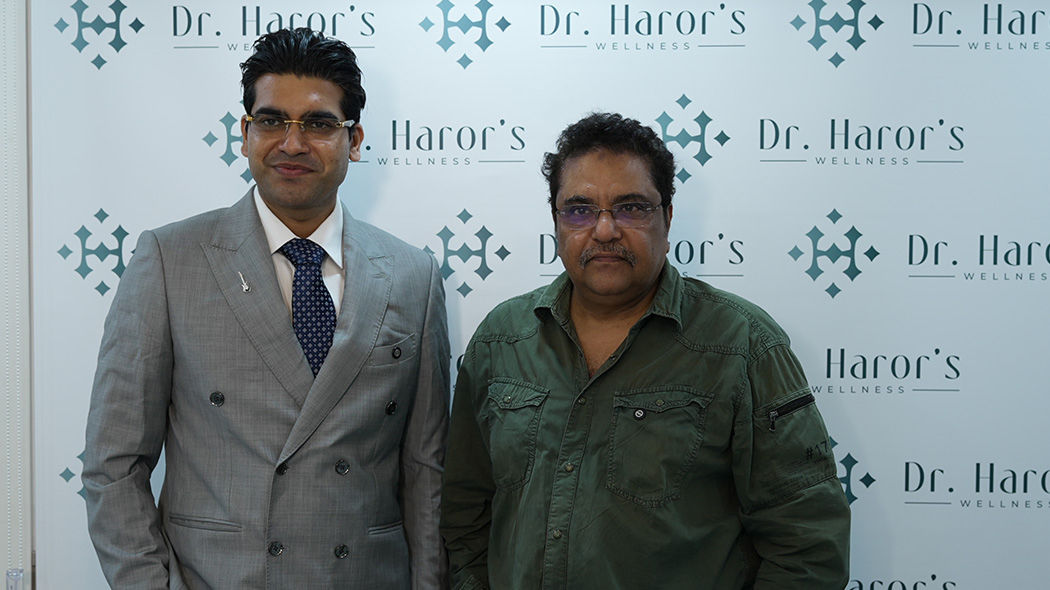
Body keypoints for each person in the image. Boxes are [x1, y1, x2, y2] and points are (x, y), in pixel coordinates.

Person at [83, 28, 450, 589]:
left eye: (319, 124)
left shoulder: (413, 275)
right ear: (245, 133)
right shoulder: (169, 260)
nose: (292, 144)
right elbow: (114, 464)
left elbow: (426, 473)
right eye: (272, 121)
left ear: (354, 140)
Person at [440, 112, 850, 589]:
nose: (605, 230)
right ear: (556, 222)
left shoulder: (743, 345)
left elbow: (808, 545)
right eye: (580, 210)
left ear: (667, 217)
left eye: (631, 208)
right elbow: (465, 515)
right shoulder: (501, 340)